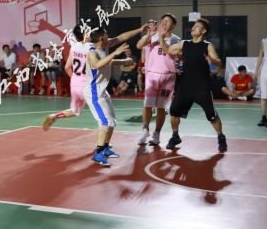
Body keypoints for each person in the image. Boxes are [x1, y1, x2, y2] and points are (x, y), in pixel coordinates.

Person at [159, 18, 227, 152]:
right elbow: (167, 50)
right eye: (193, 26)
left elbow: (219, 63)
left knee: (212, 116)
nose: (193, 28)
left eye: (197, 26)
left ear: (203, 31)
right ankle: (175, 136)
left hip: (202, 87)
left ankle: (221, 137)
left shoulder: (207, 46)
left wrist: (211, 60)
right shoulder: (184, 43)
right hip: (185, 86)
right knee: (173, 111)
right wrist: (161, 36)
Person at [84, 24, 147, 166]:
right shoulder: (92, 52)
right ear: (102, 38)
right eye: (106, 34)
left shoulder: (105, 45)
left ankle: (105, 148)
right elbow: (98, 65)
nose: (109, 36)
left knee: (112, 121)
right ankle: (98, 154)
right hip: (94, 93)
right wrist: (116, 53)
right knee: (105, 122)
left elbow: (122, 37)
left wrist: (139, 30)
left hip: (102, 91)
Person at [136, 14, 180, 146]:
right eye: (163, 21)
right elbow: (139, 45)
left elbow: (176, 54)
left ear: (173, 25)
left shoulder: (176, 39)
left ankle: (157, 134)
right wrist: (149, 35)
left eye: (168, 22)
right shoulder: (152, 36)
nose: (164, 23)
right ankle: (145, 130)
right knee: (147, 104)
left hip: (168, 76)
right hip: (152, 74)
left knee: (161, 107)